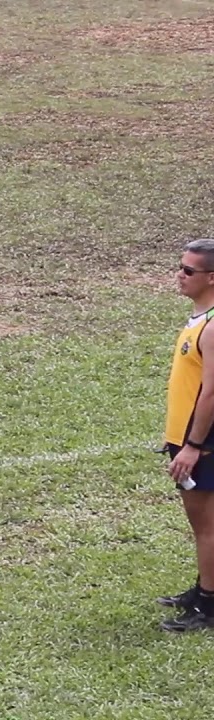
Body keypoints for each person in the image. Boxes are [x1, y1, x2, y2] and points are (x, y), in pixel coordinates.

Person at [158, 238, 214, 632]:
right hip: (189, 439)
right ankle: (203, 590)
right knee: (202, 525)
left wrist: (193, 446)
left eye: (188, 270)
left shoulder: (212, 328)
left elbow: (211, 392)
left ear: (211, 278)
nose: (179, 275)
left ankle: (209, 607)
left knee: (207, 525)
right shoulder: (200, 319)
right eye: (180, 266)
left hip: (203, 443)